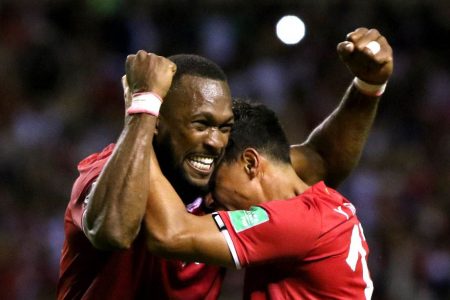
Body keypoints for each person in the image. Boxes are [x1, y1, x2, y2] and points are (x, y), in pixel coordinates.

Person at [57, 27, 393, 299]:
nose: (216, 141)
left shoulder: (215, 175)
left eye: (225, 127)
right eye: (202, 124)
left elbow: (319, 159)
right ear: (158, 121)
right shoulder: (106, 172)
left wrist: (369, 86)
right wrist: (143, 108)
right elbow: (114, 231)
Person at [145, 99, 374, 299]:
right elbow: (318, 155)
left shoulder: (293, 222)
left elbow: (170, 235)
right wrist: (369, 85)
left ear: (250, 163)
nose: (209, 200)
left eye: (213, 182)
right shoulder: (322, 206)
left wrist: (142, 121)